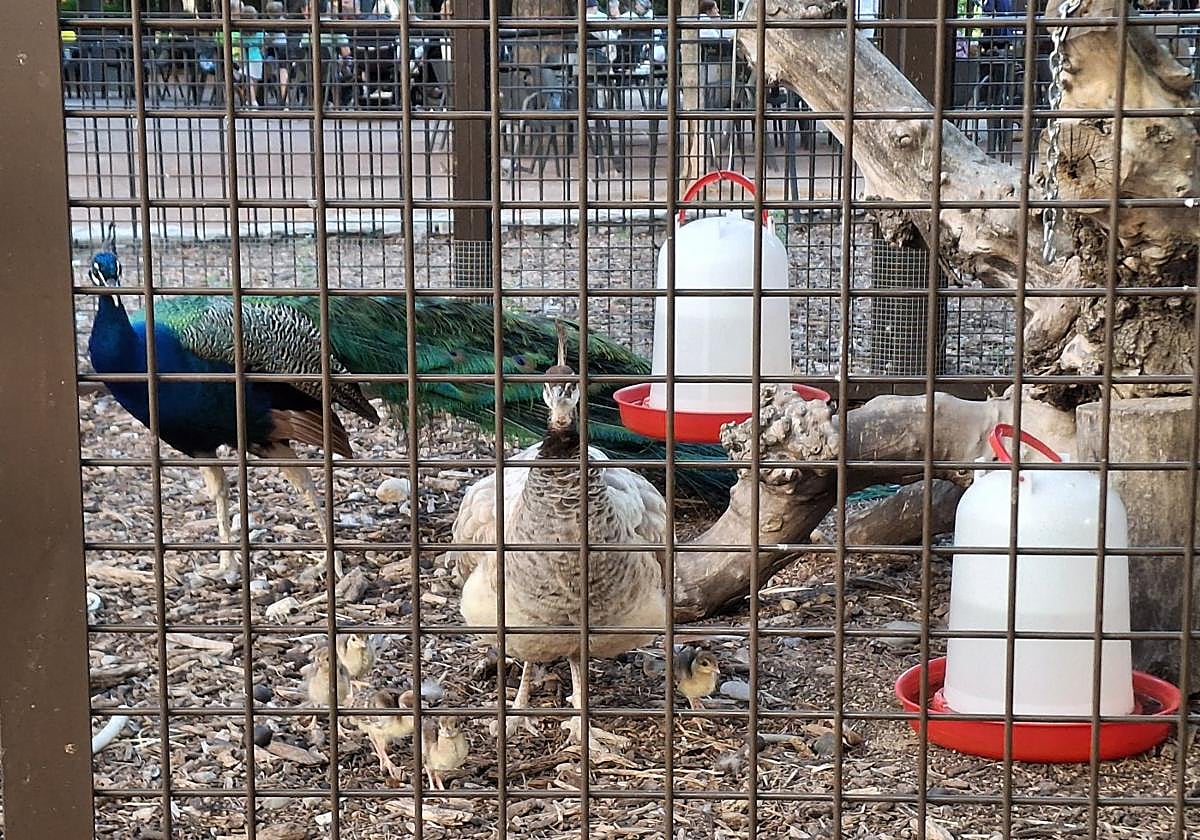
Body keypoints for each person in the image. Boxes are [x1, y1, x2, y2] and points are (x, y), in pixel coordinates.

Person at [241, 5, 265, 108]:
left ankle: (251, 100)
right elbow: (263, 45)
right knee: (254, 81)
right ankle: (252, 100)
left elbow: (240, 46)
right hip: (258, 58)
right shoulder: (259, 33)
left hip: (247, 58)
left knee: (249, 80)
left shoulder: (242, 33)